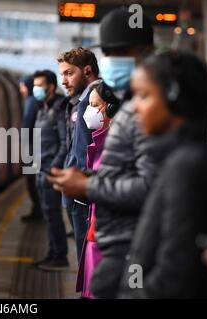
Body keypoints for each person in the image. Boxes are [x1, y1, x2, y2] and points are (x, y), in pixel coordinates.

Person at [48, 8, 157, 298]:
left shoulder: (156, 110)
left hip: (137, 250)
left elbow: (150, 185)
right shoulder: (128, 105)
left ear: (146, 52)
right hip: (113, 242)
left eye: (120, 51)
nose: (113, 59)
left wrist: (87, 185)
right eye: (109, 51)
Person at [118, 51, 207, 298]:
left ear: (173, 97)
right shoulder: (181, 157)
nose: (135, 107)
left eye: (143, 95)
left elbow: (175, 273)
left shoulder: (186, 166)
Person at [74, 82, 119, 298]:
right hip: (96, 236)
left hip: (108, 242)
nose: (88, 112)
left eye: (93, 105)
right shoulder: (99, 142)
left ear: (110, 108)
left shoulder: (114, 147)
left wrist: (86, 185)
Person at [57, 47, 101, 260]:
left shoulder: (89, 103)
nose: (64, 81)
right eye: (62, 75)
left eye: (68, 73)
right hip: (84, 193)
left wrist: (76, 191)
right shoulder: (88, 100)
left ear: (87, 70)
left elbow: (85, 153)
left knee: (86, 258)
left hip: (83, 196)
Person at [32, 70, 70, 271]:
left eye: (39, 85)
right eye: (35, 85)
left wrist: (53, 168)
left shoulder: (58, 109)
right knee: (48, 215)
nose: (36, 89)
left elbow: (65, 143)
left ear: (51, 87)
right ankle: (52, 253)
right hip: (41, 170)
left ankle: (59, 256)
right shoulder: (43, 109)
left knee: (53, 215)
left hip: (49, 172)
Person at [19, 75, 43, 222]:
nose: (20, 89)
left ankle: (37, 211)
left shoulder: (31, 102)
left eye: (21, 85)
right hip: (37, 147)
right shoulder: (36, 101)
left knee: (32, 181)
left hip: (33, 149)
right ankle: (38, 210)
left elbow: (27, 126)